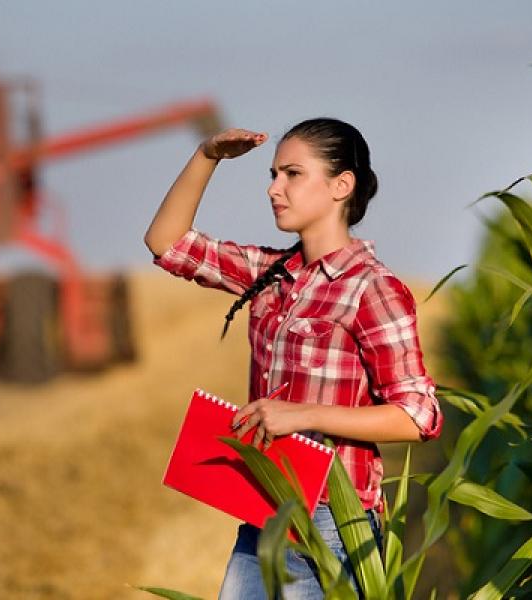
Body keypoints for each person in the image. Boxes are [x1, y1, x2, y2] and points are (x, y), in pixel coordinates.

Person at [144, 119, 443, 599]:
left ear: (341, 186)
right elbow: (168, 244)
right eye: (273, 174)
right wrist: (206, 156)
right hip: (266, 507)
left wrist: (303, 415)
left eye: (292, 175)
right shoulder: (271, 274)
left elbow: (418, 415)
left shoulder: (372, 289)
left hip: (333, 522)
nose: (273, 189)